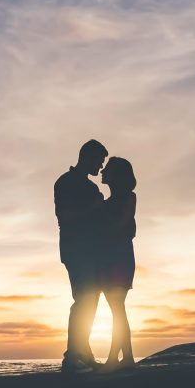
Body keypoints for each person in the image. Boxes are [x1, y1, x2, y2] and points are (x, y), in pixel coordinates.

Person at [54, 139, 108, 373]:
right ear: (88, 157)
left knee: (90, 300)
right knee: (83, 299)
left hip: (92, 250)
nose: (101, 167)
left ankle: (83, 353)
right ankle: (72, 355)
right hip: (76, 250)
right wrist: (94, 208)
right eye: (100, 161)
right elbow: (64, 217)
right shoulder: (65, 183)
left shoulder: (90, 187)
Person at [98, 156, 137, 370]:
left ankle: (116, 358)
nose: (102, 171)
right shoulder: (104, 203)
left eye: (108, 169)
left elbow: (121, 226)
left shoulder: (128, 198)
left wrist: (100, 212)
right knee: (117, 309)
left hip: (120, 258)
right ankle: (127, 357)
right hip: (107, 259)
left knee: (117, 308)